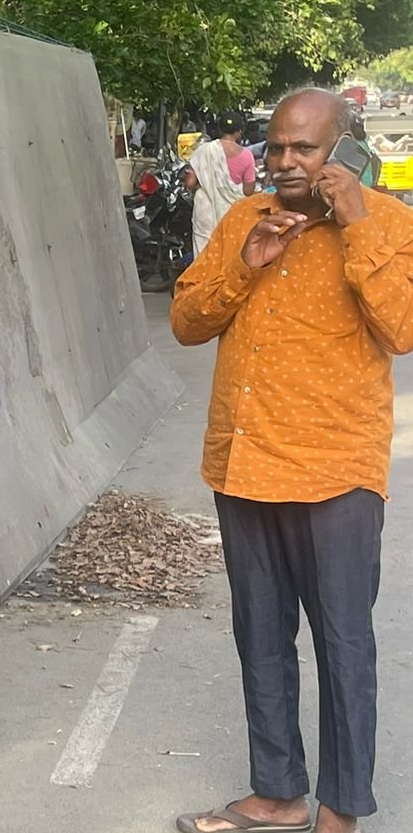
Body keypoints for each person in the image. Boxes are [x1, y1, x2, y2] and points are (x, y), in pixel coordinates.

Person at [170, 88, 413, 833]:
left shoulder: (393, 223)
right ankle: (277, 794)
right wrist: (246, 263)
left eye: (304, 148)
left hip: (335, 469)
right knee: (261, 636)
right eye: (276, 147)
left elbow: (401, 329)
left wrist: (360, 224)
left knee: (343, 642)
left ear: (342, 148)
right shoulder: (246, 219)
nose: (284, 162)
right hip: (243, 464)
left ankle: (341, 808)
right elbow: (186, 321)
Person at [186, 109, 255, 255]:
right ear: (239, 132)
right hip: (232, 213)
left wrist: (200, 186)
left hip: (205, 213)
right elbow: (248, 191)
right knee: (229, 253)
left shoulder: (204, 150)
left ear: (219, 129)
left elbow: (190, 182)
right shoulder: (247, 155)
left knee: (204, 253)